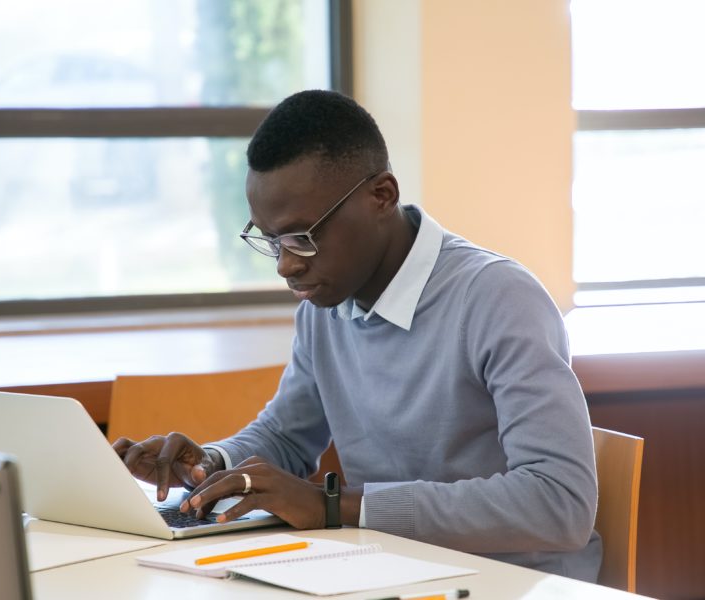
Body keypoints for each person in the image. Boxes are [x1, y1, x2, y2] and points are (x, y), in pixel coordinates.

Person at [113, 90, 602, 581]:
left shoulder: (499, 298)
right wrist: (211, 464)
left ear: (381, 197)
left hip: (512, 582)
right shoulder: (326, 298)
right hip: (392, 571)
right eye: (270, 240)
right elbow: (287, 435)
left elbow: (558, 502)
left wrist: (336, 506)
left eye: (303, 236)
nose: (286, 265)